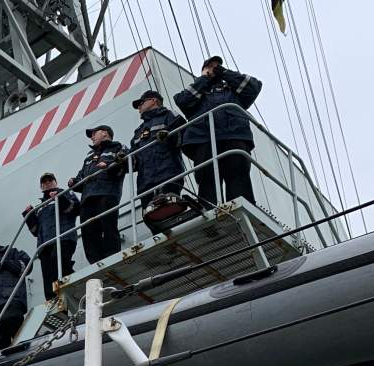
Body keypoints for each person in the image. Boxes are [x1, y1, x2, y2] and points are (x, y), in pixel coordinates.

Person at [174, 56, 263, 205]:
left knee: (238, 177)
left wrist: (225, 73)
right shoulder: (198, 92)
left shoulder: (233, 91)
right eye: (210, 66)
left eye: (217, 66)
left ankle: (242, 208)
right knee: (207, 179)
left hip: (234, 137)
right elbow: (183, 101)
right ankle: (208, 208)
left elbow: (253, 87)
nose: (214, 68)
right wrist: (204, 79)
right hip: (204, 140)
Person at [70, 125, 127, 263]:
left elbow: (127, 164)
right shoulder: (89, 157)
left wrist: (109, 166)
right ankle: (95, 262)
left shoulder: (118, 147)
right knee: (88, 231)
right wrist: (74, 182)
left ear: (105, 133)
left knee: (108, 226)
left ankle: (113, 258)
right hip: (88, 198)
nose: (92, 137)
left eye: (94, 133)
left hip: (107, 193)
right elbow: (81, 178)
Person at [130, 90, 188, 224]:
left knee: (171, 210)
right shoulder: (139, 131)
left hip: (168, 173)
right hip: (146, 183)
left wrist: (168, 136)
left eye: (141, 103)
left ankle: (175, 237)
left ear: (153, 100)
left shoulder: (169, 115)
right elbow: (133, 161)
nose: (139, 107)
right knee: (150, 217)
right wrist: (120, 161)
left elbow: (183, 134)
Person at [22, 173, 80, 300]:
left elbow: (76, 209)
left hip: (64, 237)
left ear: (55, 182)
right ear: (41, 187)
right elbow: (35, 231)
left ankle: (76, 287)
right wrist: (29, 215)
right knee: (48, 275)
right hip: (45, 245)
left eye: (50, 180)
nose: (47, 183)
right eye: (44, 182)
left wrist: (59, 199)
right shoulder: (40, 207)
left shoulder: (65, 193)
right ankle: (52, 302)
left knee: (59, 263)